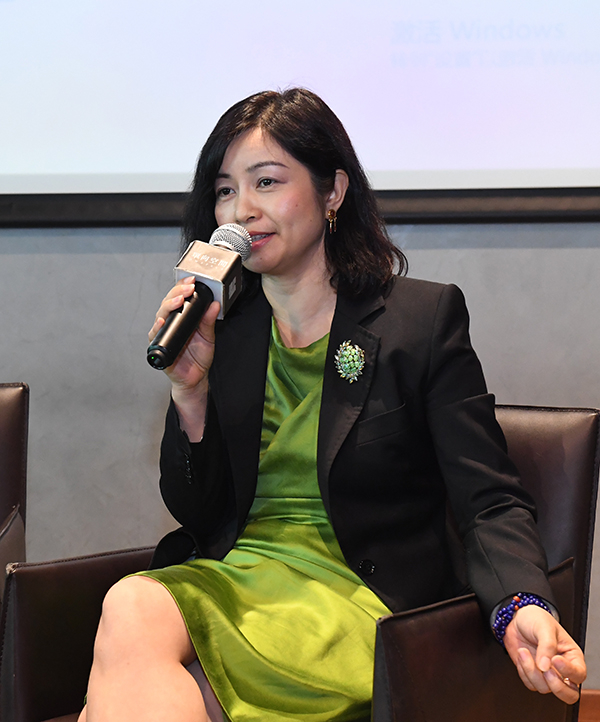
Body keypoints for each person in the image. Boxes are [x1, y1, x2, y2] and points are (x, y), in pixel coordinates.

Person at [79, 88, 586, 722]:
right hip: (239, 579)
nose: (242, 210)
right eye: (225, 190)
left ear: (333, 192)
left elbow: (489, 499)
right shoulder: (222, 332)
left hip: (359, 597)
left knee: (121, 694)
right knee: (131, 605)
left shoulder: (419, 321)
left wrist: (522, 604)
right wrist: (188, 392)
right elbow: (197, 511)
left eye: (267, 182)